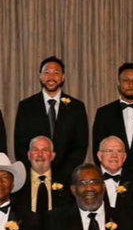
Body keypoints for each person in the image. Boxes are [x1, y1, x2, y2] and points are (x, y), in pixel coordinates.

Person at [15, 56, 88, 185]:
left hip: (66, 179)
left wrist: (64, 174)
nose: (51, 77)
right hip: (34, 177)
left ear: (63, 77)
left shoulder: (77, 107)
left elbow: (80, 145)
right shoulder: (26, 106)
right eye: (47, 72)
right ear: (40, 76)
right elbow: (20, 145)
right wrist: (37, 171)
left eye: (56, 73)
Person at [13, 136, 72, 213]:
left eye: (45, 150)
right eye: (35, 150)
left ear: (52, 156)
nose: (40, 154)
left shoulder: (66, 181)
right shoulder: (18, 183)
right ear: (29, 155)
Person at [96, 136, 133, 216]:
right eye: (109, 151)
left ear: (124, 157)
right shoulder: (90, 180)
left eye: (119, 151)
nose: (114, 155)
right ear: (99, 156)